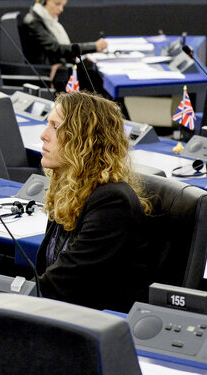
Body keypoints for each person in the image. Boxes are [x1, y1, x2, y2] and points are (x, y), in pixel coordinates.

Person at [35, 92, 153, 312]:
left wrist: (8, 297)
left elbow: (67, 280)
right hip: (64, 312)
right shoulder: (69, 190)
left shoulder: (112, 202)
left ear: (85, 141)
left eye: (55, 127)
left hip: (96, 324)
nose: (43, 135)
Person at [18, 0, 108, 80]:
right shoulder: (33, 22)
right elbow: (56, 48)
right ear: (44, 1)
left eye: (63, 5)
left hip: (60, 68)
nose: (61, 9)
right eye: (57, 4)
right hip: (48, 74)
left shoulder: (47, 21)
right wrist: (94, 46)